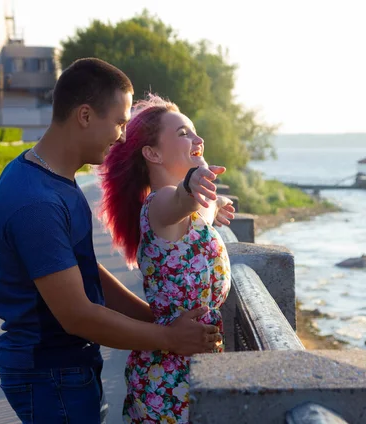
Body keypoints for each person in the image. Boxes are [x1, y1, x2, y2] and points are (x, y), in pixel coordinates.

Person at [0, 58, 222, 424]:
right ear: (84, 116)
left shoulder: (54, 180)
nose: (124, 135)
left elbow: (85, 272)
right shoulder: (36, 200)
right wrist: (168, 339)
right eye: (119, 121)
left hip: (66, 368)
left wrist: (159, 319)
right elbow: (77, 315)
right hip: (50, 372)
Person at [97, 94, 234, 424]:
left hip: (186, 369)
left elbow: (196, 206)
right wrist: (193, 183)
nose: (198, 139)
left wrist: (216, 204)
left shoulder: (178, 212)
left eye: (195, 132)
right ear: (152, 153)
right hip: (170, 380)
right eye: (184, 133)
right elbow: (180, 200)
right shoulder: (159, 205)